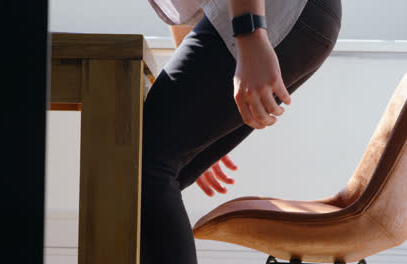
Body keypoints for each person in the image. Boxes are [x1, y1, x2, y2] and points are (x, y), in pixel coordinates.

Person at [141, 0, 342, 263]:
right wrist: (196, 110)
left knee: (139, 164)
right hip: (291, 16)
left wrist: (252, 34)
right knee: (144, 173)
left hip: (271, 15)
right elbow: (190, 14)